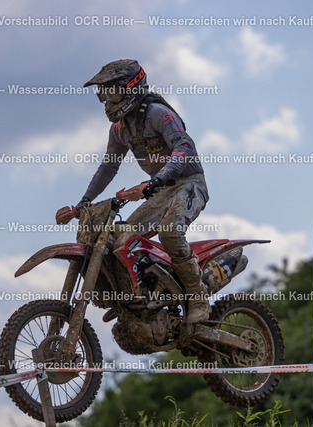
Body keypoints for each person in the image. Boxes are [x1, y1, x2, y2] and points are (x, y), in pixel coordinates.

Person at [60, 59, 210, 323]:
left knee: (170, 232)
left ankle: (198, 296)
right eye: (103, 93)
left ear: (131, 87)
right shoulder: (119, 129)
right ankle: (134, 298)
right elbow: (109, 166)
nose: (107, 100)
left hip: (189, 184)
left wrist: (155, 181)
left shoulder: (158, 114)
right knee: (120, 241)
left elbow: (184, 148)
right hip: (159, 191)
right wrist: (84, 201)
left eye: (112, 92)